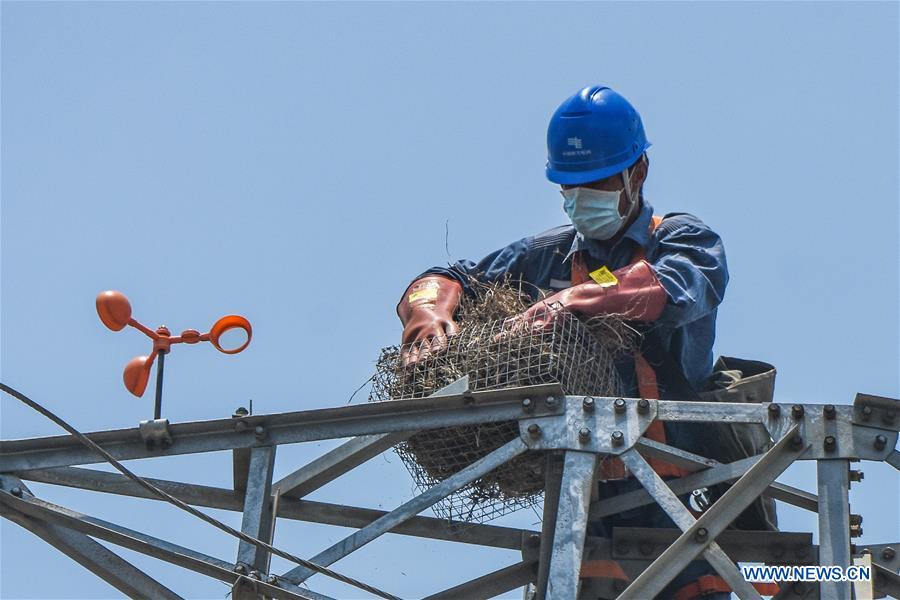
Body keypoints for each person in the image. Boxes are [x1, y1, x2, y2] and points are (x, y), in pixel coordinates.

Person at [396, 85, 739, 599]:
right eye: (569, 186)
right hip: (584, 500)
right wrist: (427, 309)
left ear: (637, 172)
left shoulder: (683, 239)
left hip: (679, 497)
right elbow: (448, 277)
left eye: (597, 182)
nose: (581, 198)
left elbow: (674, 287)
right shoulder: (545, 257)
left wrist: (576, 299)